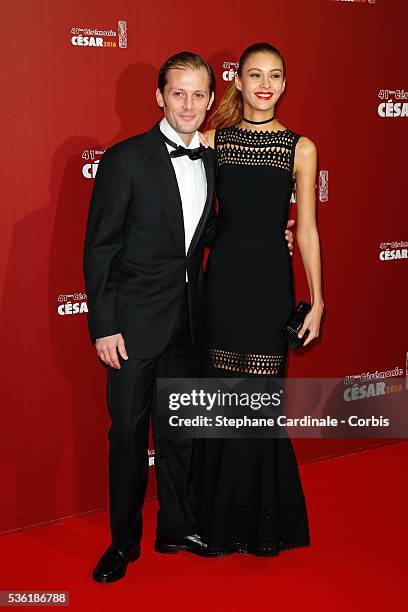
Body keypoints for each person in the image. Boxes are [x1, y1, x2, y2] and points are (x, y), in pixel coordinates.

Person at [83, 50, 297, 581]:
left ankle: (177, 526)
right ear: (159, 97)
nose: (188, 103)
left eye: (199, 94)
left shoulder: (213, 158)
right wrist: (104, 325)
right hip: (131, 328)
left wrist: (276, 236)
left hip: (191, 322)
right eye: (177, 92)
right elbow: (99, 249)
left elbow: (217, 232)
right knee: (129, 437)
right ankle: (122, 543)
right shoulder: (125, 159)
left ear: (211, 100)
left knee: (180, 431)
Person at [194, 42, 324, 556]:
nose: (264, 84)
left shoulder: (301, 147)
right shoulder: (213, 141)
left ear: (285, 84)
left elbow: (308, 229)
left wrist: (318, 300)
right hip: (222, 280)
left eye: (274, 75)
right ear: (239, 82)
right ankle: (214, 523)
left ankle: (260, 524)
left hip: (271, 282)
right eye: (254, 74)